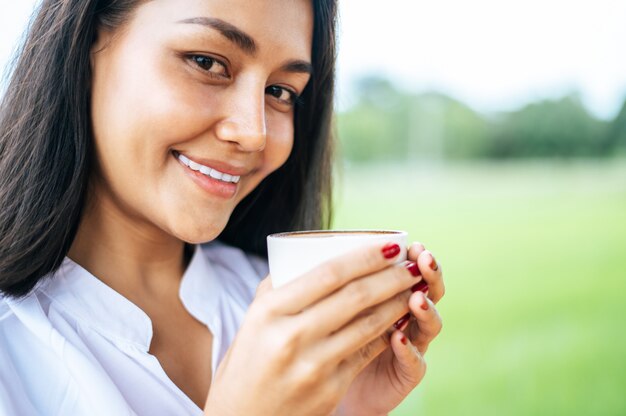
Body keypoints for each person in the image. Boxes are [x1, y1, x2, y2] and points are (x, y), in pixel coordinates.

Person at [0, 0, 445, 415]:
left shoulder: (281, 307)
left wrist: (342, 408)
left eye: (281, 91)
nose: (254, 133)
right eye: (207, 63)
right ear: (85, 44)